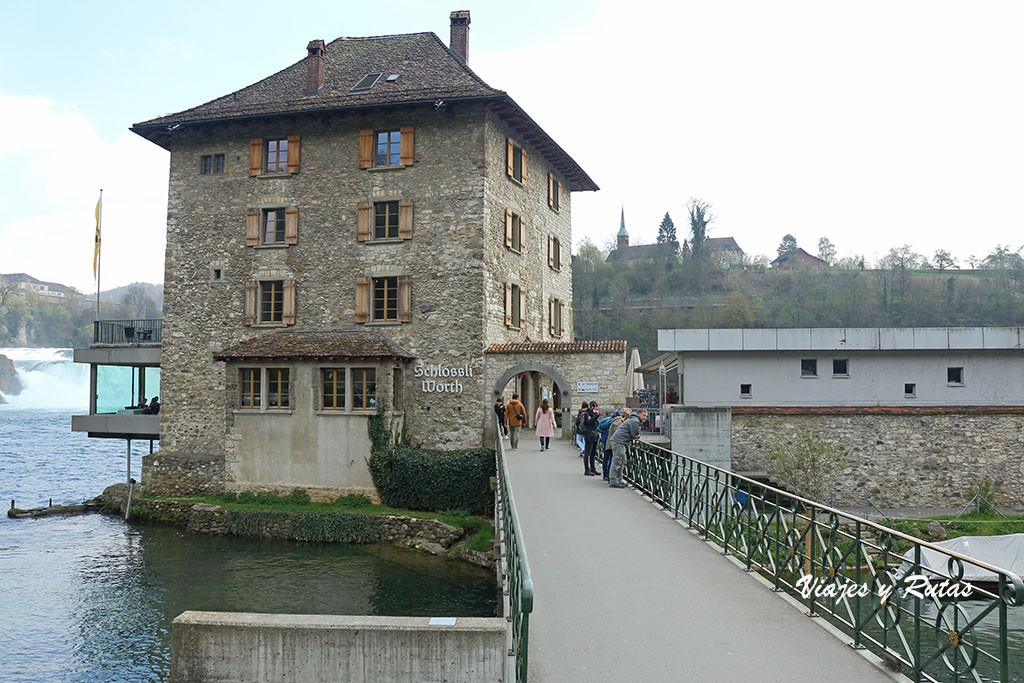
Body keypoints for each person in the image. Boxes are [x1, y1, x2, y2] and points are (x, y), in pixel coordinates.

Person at [608, 408, 647, 488]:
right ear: (639, 414)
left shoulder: (633, 419)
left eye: (646, 416)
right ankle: (613, 481)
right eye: (644, 415)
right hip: (619, 442)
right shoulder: (635, 421)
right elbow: (634, 434)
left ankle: (619, 480)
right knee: (617, 461)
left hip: (620, 442)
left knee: (622, 461)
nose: (645, 418)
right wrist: (637, 435)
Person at [601, 408, 628, 481]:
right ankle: (610, 477)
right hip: (612, 442)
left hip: (608, 441)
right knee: (612, 460)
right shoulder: (618, 422)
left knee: (607, 459)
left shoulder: (613, 420)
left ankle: (606, 475)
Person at [580, 401, 601, 476]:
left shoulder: (595, 414)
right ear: (591, 407)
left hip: (594, 434)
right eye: (593, 406)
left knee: (593, 453)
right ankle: (587, 469)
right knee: (587, 453)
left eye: (596, 405)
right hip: (589, 434)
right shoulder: (587, 414)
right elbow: (589, 422)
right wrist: (596, 416)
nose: (595, 407)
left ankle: (593, 468)